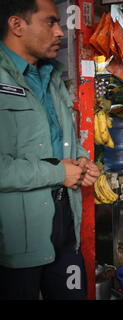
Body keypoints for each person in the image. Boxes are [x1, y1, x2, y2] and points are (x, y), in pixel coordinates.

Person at [0, 0, 100, 300]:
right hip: (16, 244)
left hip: (65, 228)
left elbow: (61, 140)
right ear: (17, 25)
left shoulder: (52, 76)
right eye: (50, 22)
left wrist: (81, 163)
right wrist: (59, 172)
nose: (60, 31)